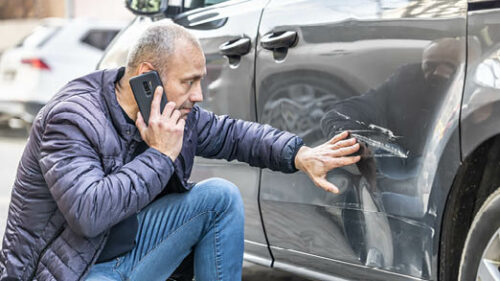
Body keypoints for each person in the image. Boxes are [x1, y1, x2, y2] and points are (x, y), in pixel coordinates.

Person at [0, 22, 360, 281]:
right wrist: (159, 155)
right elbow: (89, 214)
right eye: (189, 81)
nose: (199, 94)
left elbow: (233, 135)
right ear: (148, 76)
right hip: (74, 272)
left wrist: (298, 154)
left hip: (129, 257)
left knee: (219, 196)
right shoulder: (72, 118)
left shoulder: (172, 115)